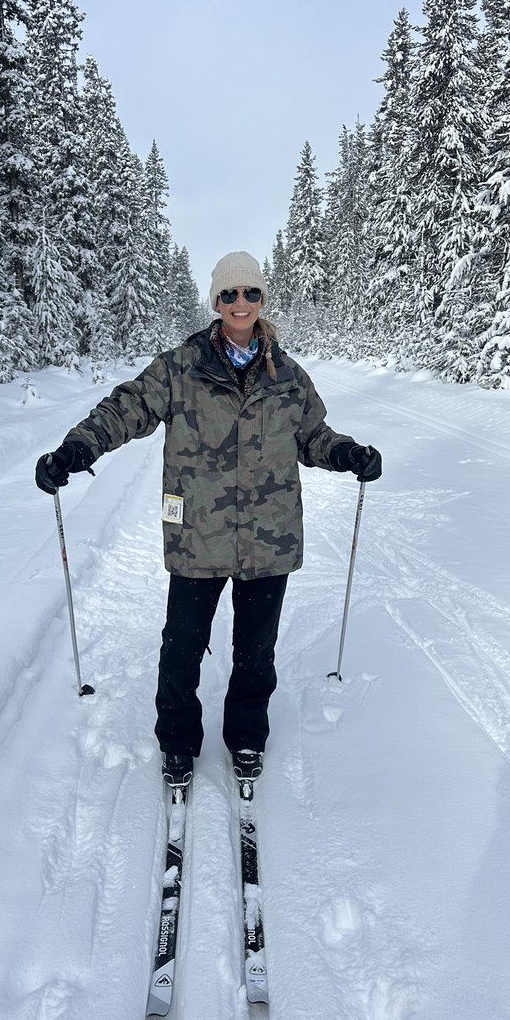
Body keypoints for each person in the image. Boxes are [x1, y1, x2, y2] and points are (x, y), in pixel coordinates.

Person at [35, 250, 381, 787]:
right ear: (215, 301)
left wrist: (346, 454)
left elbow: (313, 436)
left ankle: (246, 736)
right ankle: (177, 741)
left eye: (251, 294)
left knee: (256, 650)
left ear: (262, 300)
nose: (240, 303)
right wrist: (77, 448)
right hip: (199, 534)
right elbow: (124, 409)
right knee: (182, 646)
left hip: (269, 537)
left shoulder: (288, 377)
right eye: (229, 294)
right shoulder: (181, 368)